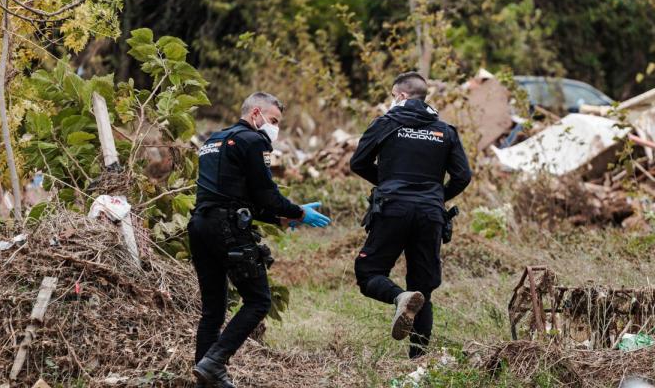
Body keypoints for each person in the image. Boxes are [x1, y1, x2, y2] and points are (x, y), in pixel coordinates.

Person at [190, 92, 331, 387]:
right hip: (227, 229)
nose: (275, 128)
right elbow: (266, 194)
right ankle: (215, 362)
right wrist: (298, 212)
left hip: (200, 225)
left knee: (213, 310)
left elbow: (237, 197)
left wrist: (281, 218)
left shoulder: (213, 140)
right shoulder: (254, 141)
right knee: (258, 300)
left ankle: (205, 377)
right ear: (256, 113)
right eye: (274, 120)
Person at [351, 72, 472, 359]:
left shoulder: (385, 124)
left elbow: (358, 162)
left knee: (368, 273)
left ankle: (399, 297)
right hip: (430, 213)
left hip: (393, 208)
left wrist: (389, 182)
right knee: (423, 288)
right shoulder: (445, 130)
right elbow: (463, 176)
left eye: (393, 96)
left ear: (402, 96)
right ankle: (418, 360)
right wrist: (435, 196)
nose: (392, 101)